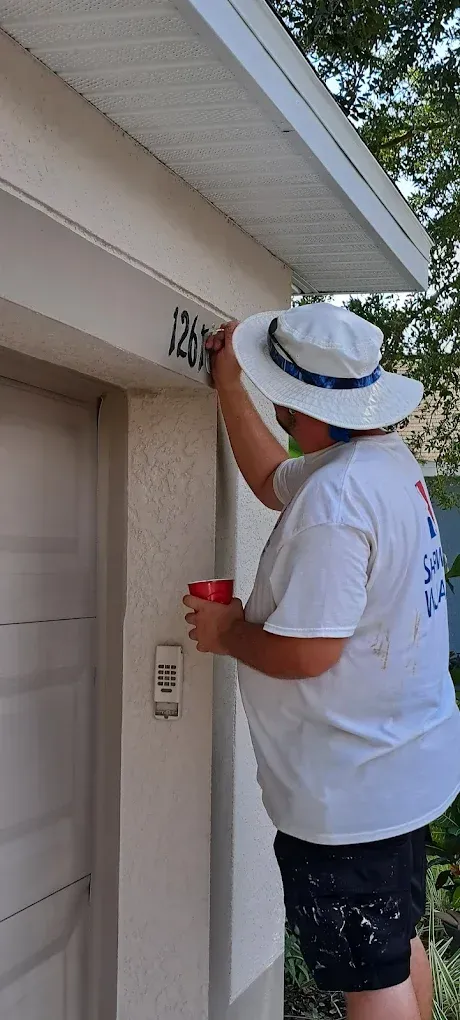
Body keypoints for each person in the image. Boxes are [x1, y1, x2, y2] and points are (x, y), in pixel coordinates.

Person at [183, 304, 460, 1020]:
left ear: (297, 402)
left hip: (352, 793)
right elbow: (273, 479)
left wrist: (227, 631)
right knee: (392, 949)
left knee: (371, 978)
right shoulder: (378, 464)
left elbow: (308, 652)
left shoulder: (337, 501)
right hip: (395, 772)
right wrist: (227, 387)